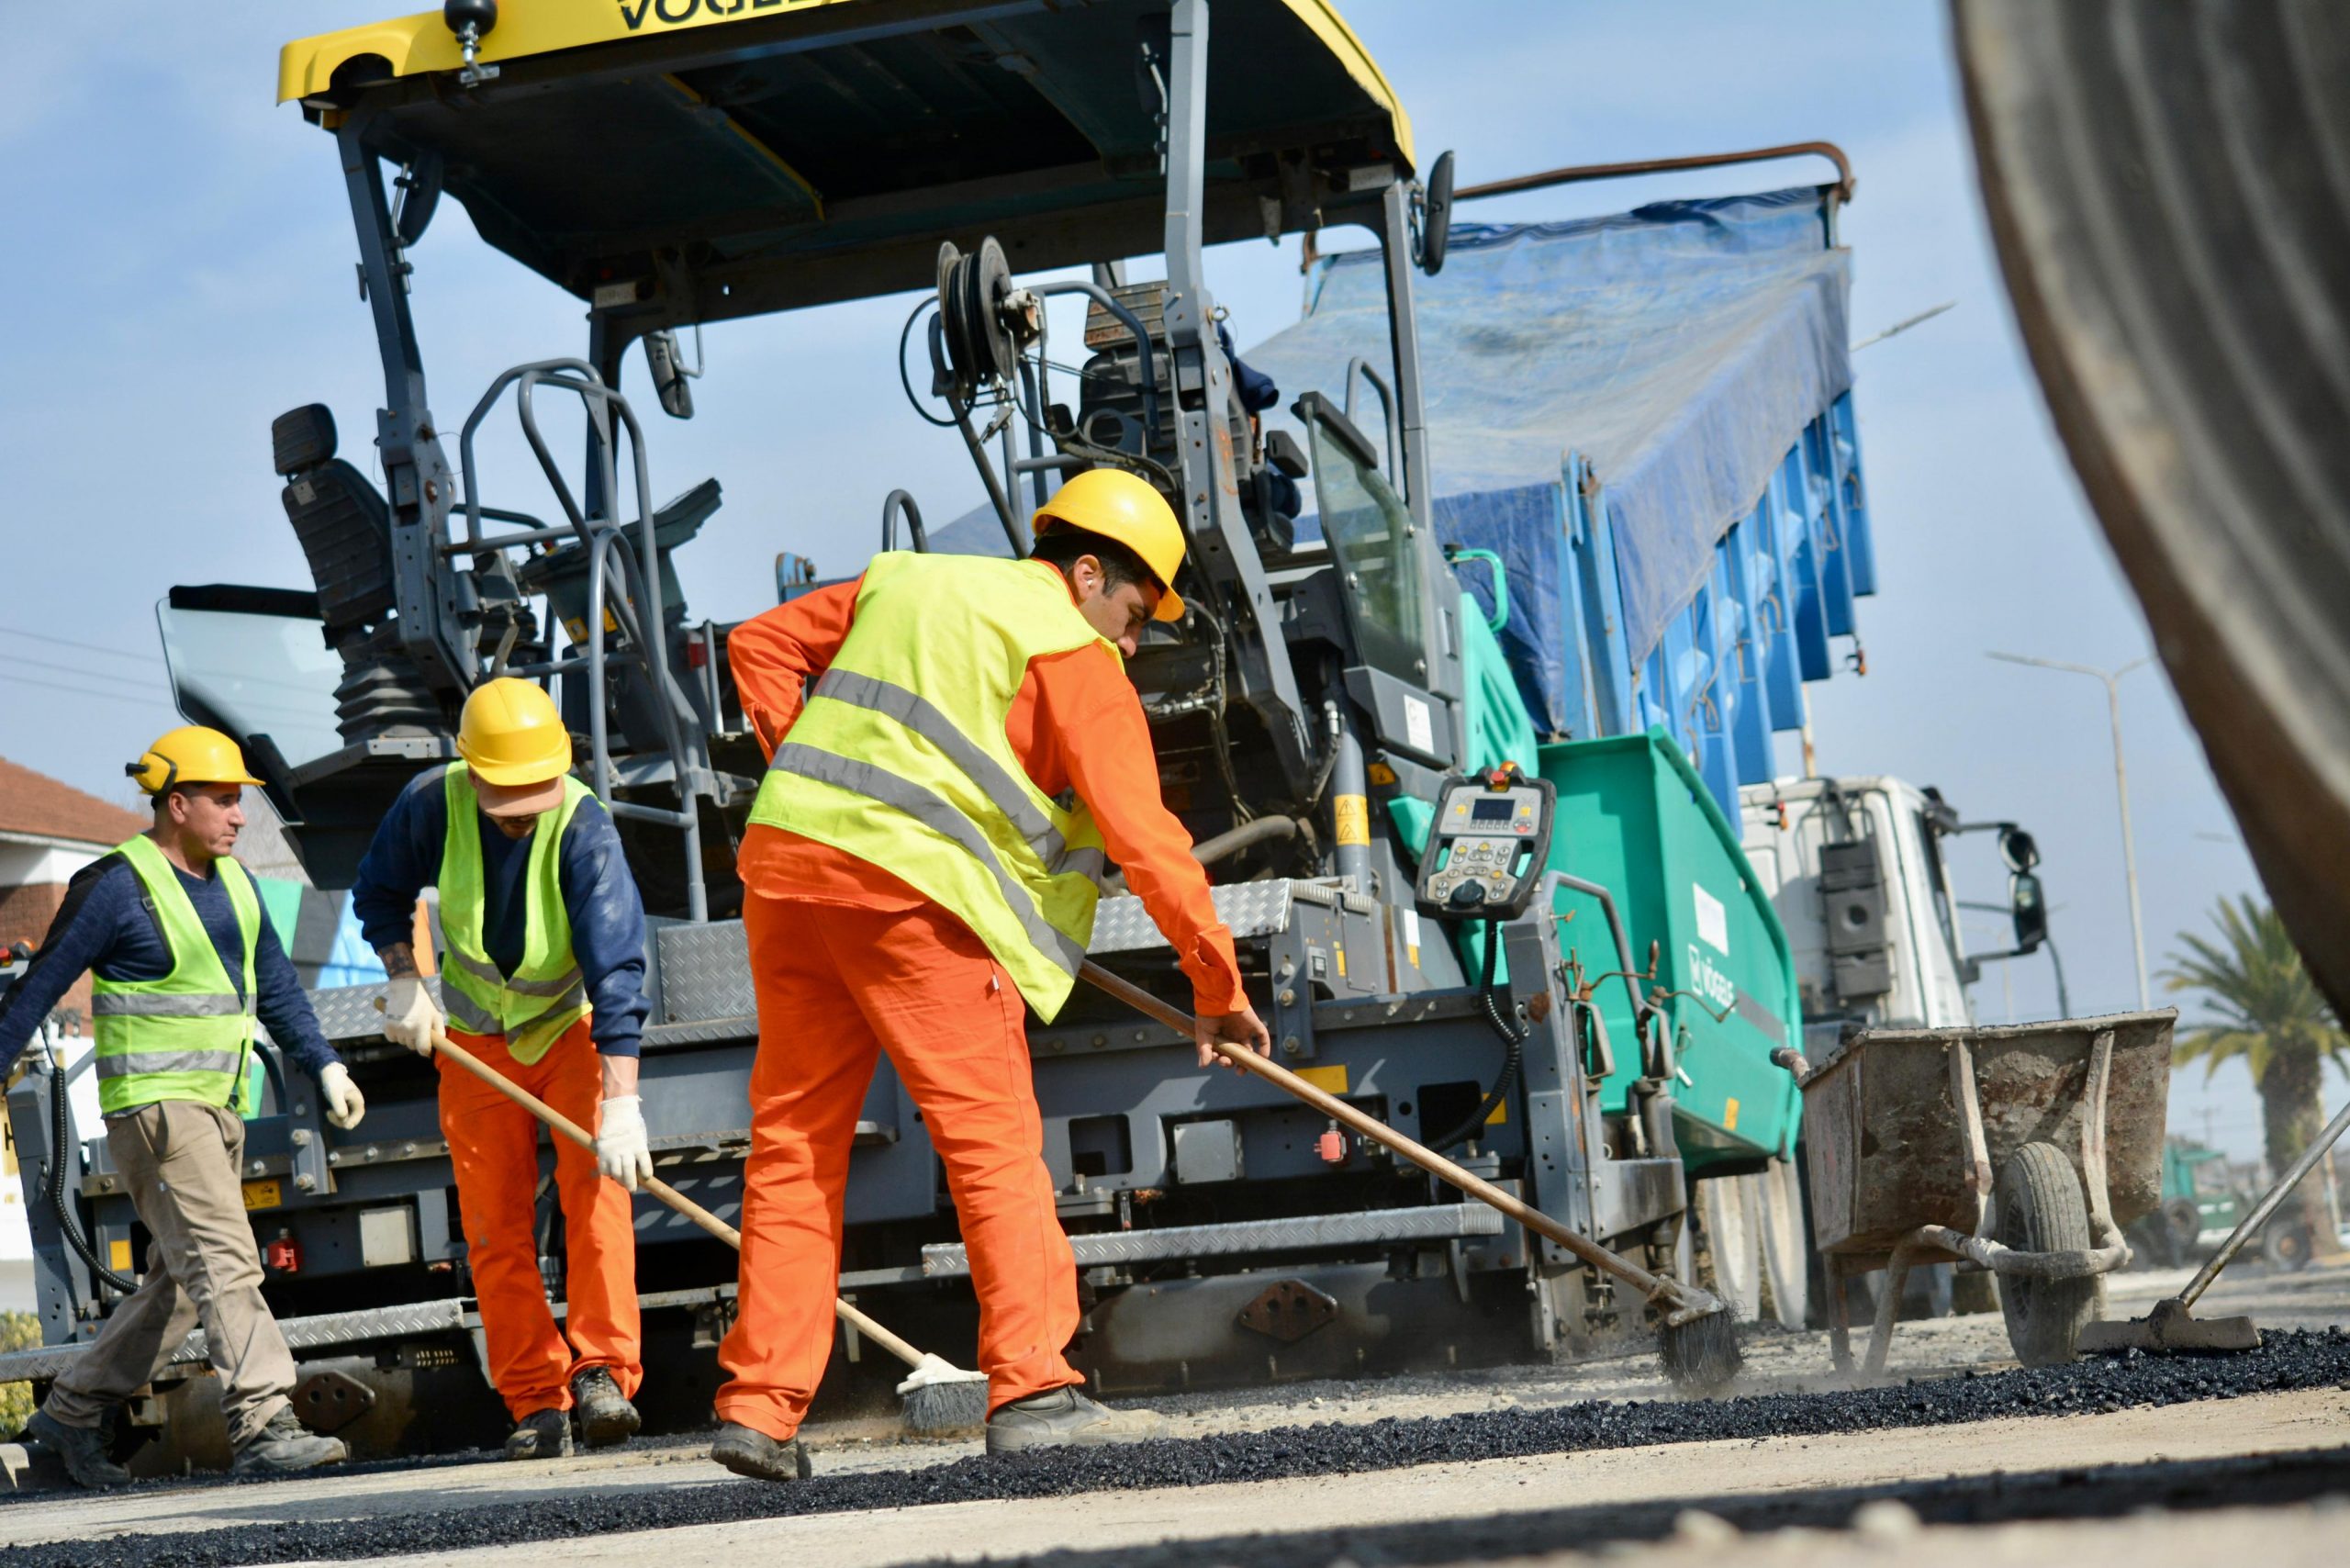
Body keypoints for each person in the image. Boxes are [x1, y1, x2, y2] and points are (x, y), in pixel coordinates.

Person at [708, 467, 1272, 1482]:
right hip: (916, 910)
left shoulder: (908, 581)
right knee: (993, 1148)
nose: (1133, 644)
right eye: (1135, 617)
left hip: (788, 877)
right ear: (1086, 572)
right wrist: (1217, 987)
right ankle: (1032, 1385)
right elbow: (1149, 841)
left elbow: (756, 643)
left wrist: (811, 772)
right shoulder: (1073, 653)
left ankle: (758, 1408)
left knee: (793, 1151)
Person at [0, 726, 361, 1486]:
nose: (238, 816)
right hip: (157, 1115)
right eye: (225, 801)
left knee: (180, 1289)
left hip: (218, 1106)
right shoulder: (114, 887)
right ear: (176, 803)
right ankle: (264, 1420)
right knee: (228, 1263)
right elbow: (36, 992)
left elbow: (279, 989)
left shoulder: (236, 883)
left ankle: (69, 1415)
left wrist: (324, 1062)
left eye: (240, 802)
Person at [351, 678, 655, 1461]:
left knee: (598, 1202)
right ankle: (536, 1402)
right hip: (478, 1043)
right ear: (471, 770)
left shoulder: (584, 828)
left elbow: (618, 968)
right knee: (493, 1229)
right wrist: (404, 976)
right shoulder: (431, 802)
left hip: (568, 1032)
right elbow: (378, 892)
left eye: (536, 791)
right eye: (508, 794)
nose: (525, 808)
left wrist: (622, 1102)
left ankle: (603, 1379)